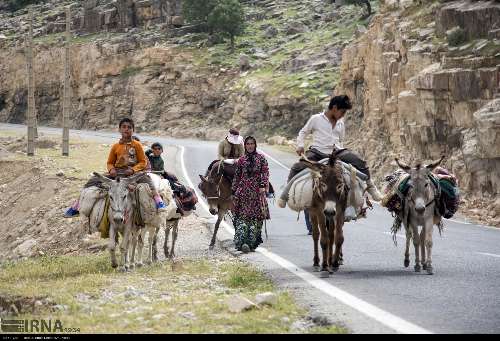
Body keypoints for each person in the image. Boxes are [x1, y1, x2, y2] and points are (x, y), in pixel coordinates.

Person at [278, 95, 383, 209]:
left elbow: (341, 140)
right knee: (297, 167)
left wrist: (343, 152)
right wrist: (300, 146)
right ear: (334, 108)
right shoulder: (316, 119)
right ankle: (285, 195)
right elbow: (303, 132)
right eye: (342, 111)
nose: (343, 115)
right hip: (317, 151)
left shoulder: (340, 122)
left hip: (337, 152)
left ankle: (372, 188)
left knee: (360, 163)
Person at [64, 118, 167, 217]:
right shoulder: (115, 146)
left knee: (148, 181)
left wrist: (133, 170)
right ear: (119, 129)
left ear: (133, 130)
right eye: (124, 127)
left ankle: (159, 202)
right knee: (92, 180)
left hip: (133, 174)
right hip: (117, 172)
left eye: (129, 127)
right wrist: (111, 169)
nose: (126, 129)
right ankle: (76, 206)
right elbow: (110, 162)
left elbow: (143, 162)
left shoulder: (137, 145)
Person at [232, 136, 270, 253]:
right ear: (245, 146)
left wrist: (263, 185)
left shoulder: (261, 158)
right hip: (242, 193)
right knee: (242, 218)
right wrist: (234, 191)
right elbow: (237, 176)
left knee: (255, 219)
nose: (250, 146)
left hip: (257, 193)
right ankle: (241, 243)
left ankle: (251, 243)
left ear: (255, 145)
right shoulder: (241, 160)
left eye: (252, 143)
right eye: (248, 144)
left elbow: (265, 172)